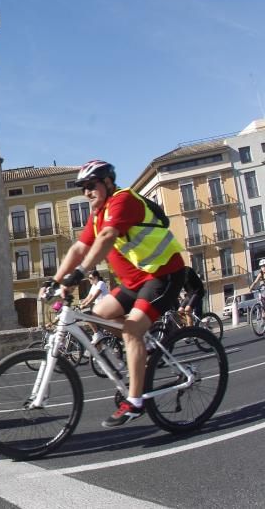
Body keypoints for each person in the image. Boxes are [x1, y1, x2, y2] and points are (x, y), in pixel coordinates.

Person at [52, 160, 187, 428]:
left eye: (91, 186)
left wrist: (79, 273)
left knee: (130, 330)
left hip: (163, 274)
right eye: (83, 189)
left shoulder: (122, 200)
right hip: (134, 281)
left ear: (108, 183)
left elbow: (108, 237)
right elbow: (79, 248)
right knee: (95, 315)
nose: (87, 192)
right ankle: (143, 349)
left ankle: (136, 402)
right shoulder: (98, 213)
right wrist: (55, 281)